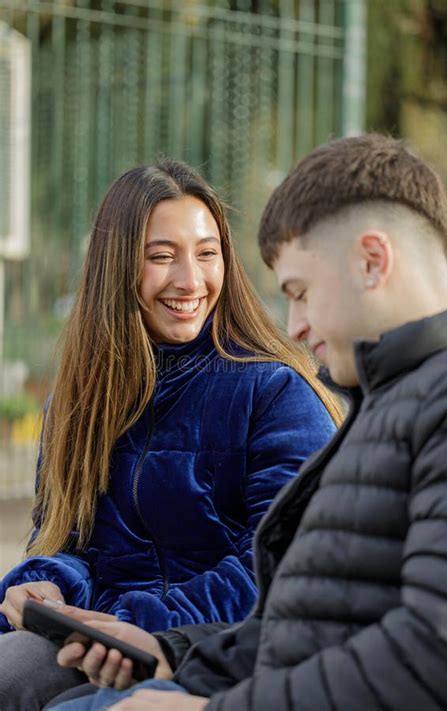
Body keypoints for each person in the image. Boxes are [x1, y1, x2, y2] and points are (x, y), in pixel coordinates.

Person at [49, 133, 447, 711]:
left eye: (300, 292)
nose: (294, 325)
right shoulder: (385, 401)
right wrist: (169, 648)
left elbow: (441, 655)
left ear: (373, 261)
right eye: (160, 255)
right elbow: (302, 624)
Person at [0, 159, 343, 710]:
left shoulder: (275, 392)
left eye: (208, 254)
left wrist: (138, 624)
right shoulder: (75, 405)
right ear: (117, 270)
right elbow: (69, 543)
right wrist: (46, 587)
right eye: (162, 257)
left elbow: (283, 564)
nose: (191, 280)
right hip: (100, 642)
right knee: (8, 669)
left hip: (216, 653)